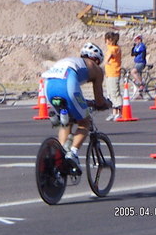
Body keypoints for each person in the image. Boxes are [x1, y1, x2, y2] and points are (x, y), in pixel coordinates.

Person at [42, 43, 111, 175]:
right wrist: (105, 104)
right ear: (96, 60)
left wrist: (88, 103)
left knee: (66, 122)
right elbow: (99, 100)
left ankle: (60, 155)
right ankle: (72, 153)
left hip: (49, 86)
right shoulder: (96, 68)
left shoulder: (74, 61)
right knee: (85, 122)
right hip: (67, 84)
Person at [104, 32, 122, 121]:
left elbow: (108, 58)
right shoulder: (112, 48)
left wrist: (106, 61)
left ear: (110, 40)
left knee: (115, 93)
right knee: (111, 94)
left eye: (107, 39)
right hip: (109, 73)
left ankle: (119, 112)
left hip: (113, 73)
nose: (105, 41)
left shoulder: (113, 49)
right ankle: (114, 112)